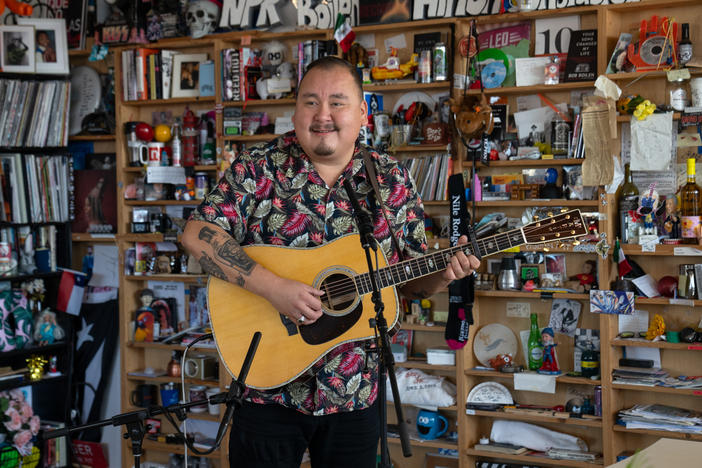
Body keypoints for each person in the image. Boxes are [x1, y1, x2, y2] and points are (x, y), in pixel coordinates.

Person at [181, 56, 480, 468]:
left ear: (362, 112)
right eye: (310, 102)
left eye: (337, 102)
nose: (323, 115)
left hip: (355, 392)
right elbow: (196, 233)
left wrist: (445, 275)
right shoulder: (257, 168)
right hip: (268, 389)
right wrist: (275, 288)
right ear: (295, 110)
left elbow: (409, 282)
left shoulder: (391, 179)